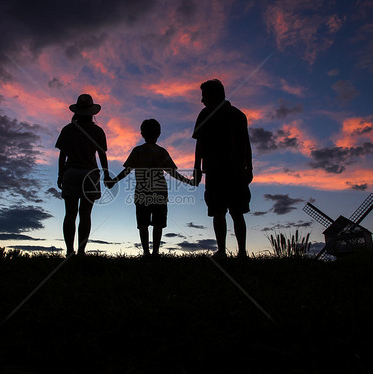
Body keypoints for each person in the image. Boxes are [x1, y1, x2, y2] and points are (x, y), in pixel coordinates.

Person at [107, 119, 194, 257]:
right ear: (158, 134)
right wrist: (188, 182)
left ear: (142, 133)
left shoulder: (137, 151)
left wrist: (114, 181)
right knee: (158, 223)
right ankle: (155, 252)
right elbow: (172, 172)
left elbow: (127, 170)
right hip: (160, 192)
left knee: (143, 224)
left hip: (142, 192)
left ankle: (147, 252)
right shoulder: (161, 151)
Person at [192, 79, 253, 259]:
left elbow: (245, 143)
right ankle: (231, 251)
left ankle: (233, 251)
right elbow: (201, 143)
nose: (202, 100)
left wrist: (249, 168)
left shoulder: (231, 115)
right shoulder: (235, 114)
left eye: (204, 96)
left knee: (228, 211)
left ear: (213, 95)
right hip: (224, 170)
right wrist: (249, 168)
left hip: (223, 170)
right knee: (230, 211)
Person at [55, 94, 111, 257]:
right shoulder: (98, 131)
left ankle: (70, 251)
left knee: (70, 214)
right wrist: (106, 174)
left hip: (71, 173)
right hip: (90, 174)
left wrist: (60, 174)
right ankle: (81, 251)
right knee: (85, 214)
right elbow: (102, 155)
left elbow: (62, 155)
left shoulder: (68, 129)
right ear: (92, 112)